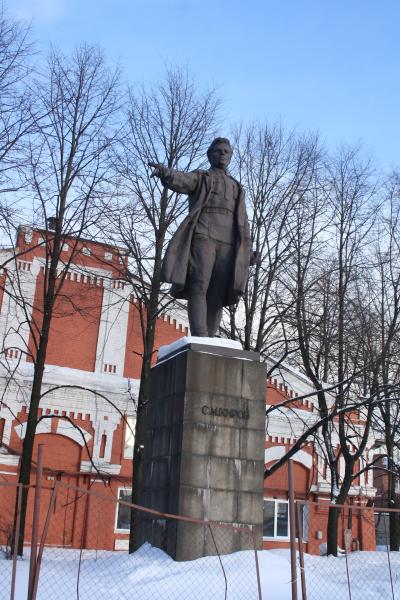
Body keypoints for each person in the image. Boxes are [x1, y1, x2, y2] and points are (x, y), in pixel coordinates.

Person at [149, 137, 253, 337]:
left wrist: (247, 251)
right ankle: (201, 336)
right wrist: (166, 172)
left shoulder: (237, 187)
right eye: (218, 151)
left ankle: (211, 341)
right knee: (200, 284)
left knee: (217, 293)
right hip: (203, 236)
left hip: (229, 244)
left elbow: (243, 222)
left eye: (226, 152)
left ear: (230, 156)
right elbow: (183, 180)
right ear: (210, 155)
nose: (222, 154)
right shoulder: (202, 177)